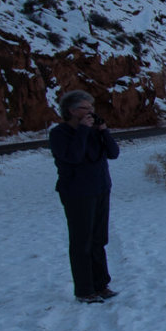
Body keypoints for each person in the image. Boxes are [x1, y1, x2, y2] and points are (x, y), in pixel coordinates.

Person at [50, 89, 119, 302]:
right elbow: (73, 156)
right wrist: (82, 130)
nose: (90, 111)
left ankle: (101, 284)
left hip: (101, 189)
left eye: (92, 107)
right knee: (82, 241)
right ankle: (84, 289)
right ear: (71, 111)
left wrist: (104, 131)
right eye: (85, 107)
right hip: (77, 193)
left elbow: (113, 153)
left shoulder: (94, 131)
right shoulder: (60, 133)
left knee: (99, 239)